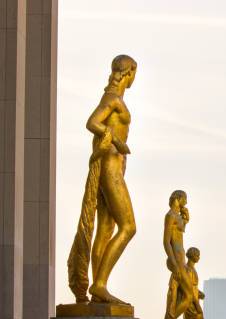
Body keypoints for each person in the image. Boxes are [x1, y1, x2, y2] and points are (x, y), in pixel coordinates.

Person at [67, 55, 137, 305]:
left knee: (106, 229)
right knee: (129, 227)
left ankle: (99, 289)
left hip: (115, 167)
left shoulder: (115, 99)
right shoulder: (113, 99)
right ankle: (99, 284)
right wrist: (116, 140)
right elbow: (92, 123)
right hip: (111, 168)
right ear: (130, 72)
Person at [157, 190, 200, 319]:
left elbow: (179, 232)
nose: (186, 202)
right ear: (178, 198)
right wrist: (174, 263)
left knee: (175, 295)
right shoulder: (170, 216)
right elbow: (166, 241)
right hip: (177, 261)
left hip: (181, 261)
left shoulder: (177, 216)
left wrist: (186, 220)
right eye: (185, 199)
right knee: (188, 297)